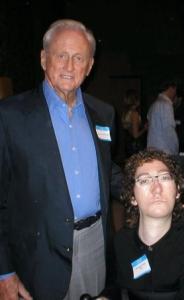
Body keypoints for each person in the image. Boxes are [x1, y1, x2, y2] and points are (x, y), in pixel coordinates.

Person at [0, 19, 122, 300]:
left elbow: (106, 170)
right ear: (44, 59)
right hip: (36, 253)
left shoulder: (104, 113)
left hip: (95, 243)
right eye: (61, 55)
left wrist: (146, 184)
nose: (69, 66)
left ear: (90, 66)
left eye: (79, 58)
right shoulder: (9, 117)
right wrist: (4, 272)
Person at [113, 150, 184, 299]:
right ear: (132, 197)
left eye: (165, 178)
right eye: (145, 180)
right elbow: (113, 288)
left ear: (177, 191)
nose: (157, 188)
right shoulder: (121, 242)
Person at [147, 80, 179, 155]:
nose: (175, 93)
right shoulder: (166, 105)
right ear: (171, 88)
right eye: (175, 90)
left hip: (152, 149)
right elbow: (169, 130)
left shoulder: (153, 105)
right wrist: (175, 150)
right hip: (164, 151)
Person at [121, 89, 147, 157]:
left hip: (128, 144)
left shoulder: (126, 113)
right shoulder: (134, 114)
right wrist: (145, 128)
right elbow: (135, 135)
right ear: (135, 100)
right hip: (135, 146)